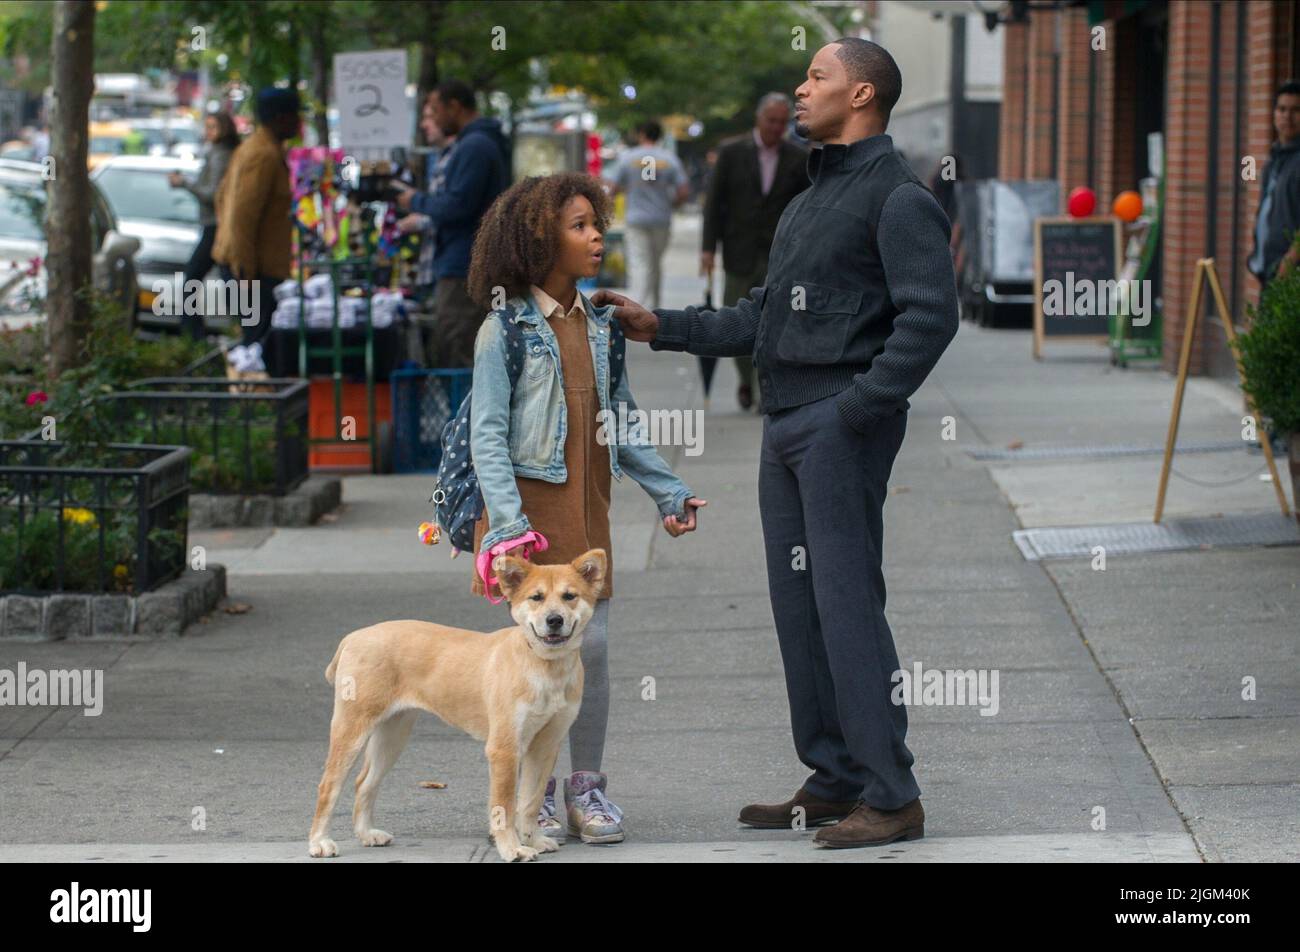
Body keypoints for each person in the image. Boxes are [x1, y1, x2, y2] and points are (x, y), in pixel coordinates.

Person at [594, 38, 959, 849]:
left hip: (837, 423)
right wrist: (665, 328)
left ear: (861, 95)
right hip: (787, 425)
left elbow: (931, 315)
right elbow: (762, 313)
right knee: (801, 609)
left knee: (846, 606)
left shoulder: (897, 198)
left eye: (816, 77)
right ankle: (835, 776)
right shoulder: (810, 197)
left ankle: (892, 792)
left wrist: (859, 407)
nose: (799, 89)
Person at [465, 172, 706, 845]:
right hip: (526, 513)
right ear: (541, 238)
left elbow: (621, 423)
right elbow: (488, 433)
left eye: (597, 222)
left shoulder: (601, 326)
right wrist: (508, 529)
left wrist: (669, 491)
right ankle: (535, 791)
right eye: (579, 225)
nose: (597, 235)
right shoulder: (504, 330)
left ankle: (585, 786)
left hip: (586, 505)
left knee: (589, 651)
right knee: (536, 656)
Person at [702, 93, 808, 411]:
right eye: (770, 121)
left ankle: (765, 385)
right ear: (759, 119)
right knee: (736, 319)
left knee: (774, 321)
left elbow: (804, 208)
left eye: (781, 121)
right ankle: (745, 378)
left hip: (779, 253)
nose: (776, 128)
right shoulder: (731, 152)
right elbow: (714, 203)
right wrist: (708, 249)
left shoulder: (798, 158)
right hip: (739, 250)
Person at [393, 80, 509, 369]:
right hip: (466, 262)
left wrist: (415, 201)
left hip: (463, 265)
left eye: (434, 110)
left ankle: (469, 415)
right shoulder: (478, 142)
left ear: (454, 107)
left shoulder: (474, 146)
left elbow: (458, 205)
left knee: (457, 348)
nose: (430, 120)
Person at [212, 88, 299, 347]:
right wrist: (245, 275)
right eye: (295, 116)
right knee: (256, 353)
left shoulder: (258, 149)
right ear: (280, 118)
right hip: (253, 274)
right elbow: (242, 218)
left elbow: (221, 199)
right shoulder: (262, 155)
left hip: (254, 271)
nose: (299, 123)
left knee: (258, 348)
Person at [169, 110, 239, 340]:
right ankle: (239, 329)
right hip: (217, 225)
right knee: (228, 278)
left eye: (213, 127)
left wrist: (185, 184)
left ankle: (194, 336)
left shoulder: (221, 155)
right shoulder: (217, 153)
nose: (207, 132)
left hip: (216, 226)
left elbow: (212, 194)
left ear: (224, 129)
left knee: (194, 279)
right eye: (206, 127)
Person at [397, 92, 457, 360]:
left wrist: (416, 204)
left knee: (452, 344)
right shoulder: (445, 157)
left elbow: (454, 207)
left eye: (430, 117)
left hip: (454, 267)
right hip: (443, 266)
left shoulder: (459, 155)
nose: (425, 125)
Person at [605, 120, 688, 311]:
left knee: (640, 262)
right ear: (659, 136)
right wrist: (670, 204)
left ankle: (638, 306)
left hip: (636, 218)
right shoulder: (670, 159)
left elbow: (613, 187)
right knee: (655, 263)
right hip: (661, 219)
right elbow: (683, 191)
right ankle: (655, 305)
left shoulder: (628, 158)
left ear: (642, 134)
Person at [1248, 80, 1300, 290]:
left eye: (1296, 110)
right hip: (1268, 271)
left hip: (1290, 276)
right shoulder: (1274, 160)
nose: (1287, 116)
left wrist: (1290, 260)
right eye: (1282, 109)